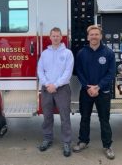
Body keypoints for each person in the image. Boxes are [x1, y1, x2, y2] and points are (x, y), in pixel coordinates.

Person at [73, 25, 116, 160]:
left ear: (101, 36)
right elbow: (78, 72)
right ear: (88, 37)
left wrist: (98, 87)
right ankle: (83, 141)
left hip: (103, 92)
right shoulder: (81, 53)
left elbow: (111, 73)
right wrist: (87, 87)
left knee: (104, 119)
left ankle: (107, 146)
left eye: (96, 34)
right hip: (86, 92)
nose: (94, 37)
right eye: (91, 34)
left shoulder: (109, 53)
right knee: (84, 118)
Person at [37, 27, 74, 157]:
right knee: (47, 116)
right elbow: (40, 70)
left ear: (61, 37)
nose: (56, 38)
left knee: (65, 116)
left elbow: (67, 73)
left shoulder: (67, 53)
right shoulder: (44, 53)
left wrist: (56, 85)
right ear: (50, 37)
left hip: (62, 88)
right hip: (47, 88)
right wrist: (47, 84)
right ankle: (47, 139)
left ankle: (67, 142)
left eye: (58, 36)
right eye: (53, 36)